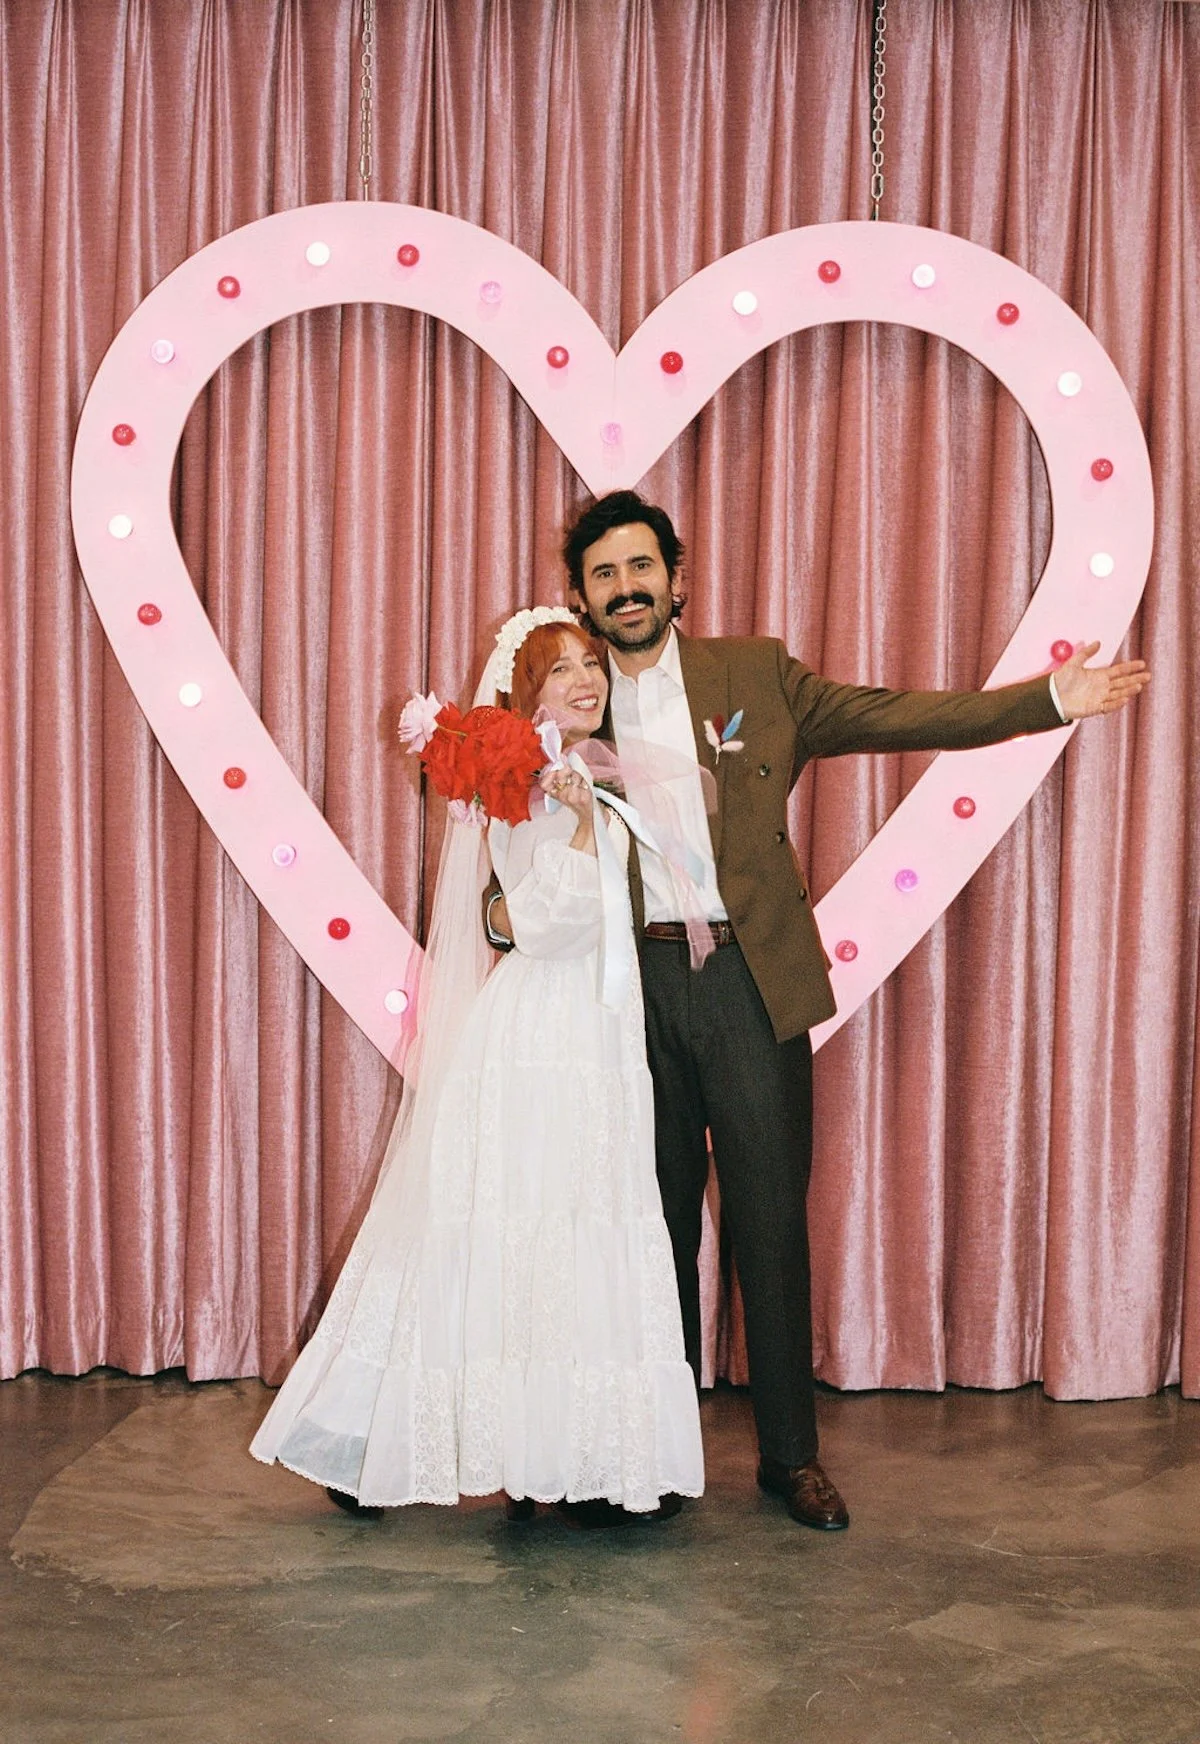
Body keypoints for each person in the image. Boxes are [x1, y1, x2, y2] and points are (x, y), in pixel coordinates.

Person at [503, 487, 1146, 1535]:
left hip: (751, 980)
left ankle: (790, 1459)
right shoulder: (567, 699)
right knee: (646, 1231)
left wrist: (1048, 700)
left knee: (768, 1221)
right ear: (579, 594)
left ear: (675, 578)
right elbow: (513, 828)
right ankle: (651, 1458)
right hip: (623, 993)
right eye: (603, 574)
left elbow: (893, 714)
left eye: (640, 567)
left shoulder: (753, 674)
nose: (625, 589)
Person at [251, 611, 705, 1521]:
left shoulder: (580, 779)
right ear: (525, 694)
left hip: (594, 1038)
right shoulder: (526, 786)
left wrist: (591, 813)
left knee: (571, 1234)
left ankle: (566, 1458)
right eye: (559, 669)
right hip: (542, 1038)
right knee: (511, 1230)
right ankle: (371, 1442)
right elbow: (543, 925)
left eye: (590, 663)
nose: (585, 679)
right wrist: (583, 830)